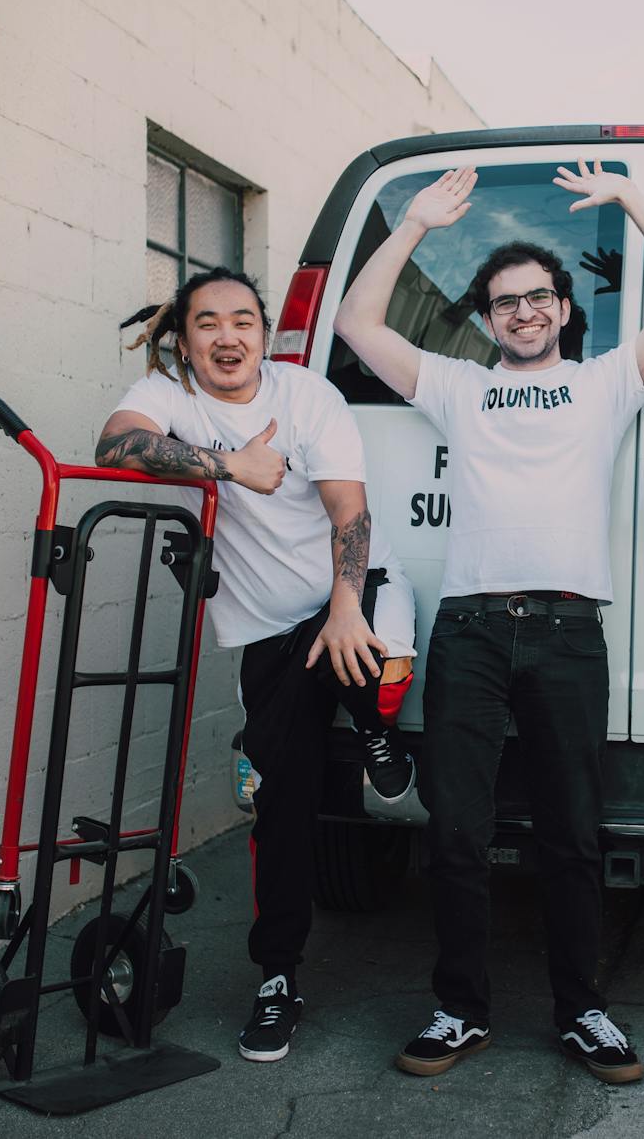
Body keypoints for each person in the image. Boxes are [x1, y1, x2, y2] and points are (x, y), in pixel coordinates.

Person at [332, 162, 644, 1084]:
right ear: (488, 316)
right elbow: (354, 323)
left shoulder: (605, 383)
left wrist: (631, 201)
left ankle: (582, 1009)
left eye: (538, 296)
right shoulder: (458, 386)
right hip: (469, 631)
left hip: (567, 632)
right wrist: (415, 224)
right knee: (456, 831)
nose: (524, 312)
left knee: (572, 831)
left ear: (561, 307)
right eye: (505, 302)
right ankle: (460, 1009)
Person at [98, 266, 418, 1064]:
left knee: (361, 643)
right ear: (184, 336)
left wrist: (344, 604)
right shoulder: (175, 396)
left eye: (244, 320)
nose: (228, 336)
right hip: (273, 637)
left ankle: (375, 728)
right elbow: (114, 445)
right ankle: (278, 977)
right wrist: (228, 464)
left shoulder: (306, 394)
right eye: (208, 322)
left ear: (266, 331)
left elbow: (351, 508)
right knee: (283, 806)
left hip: (352, 598)